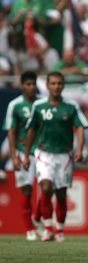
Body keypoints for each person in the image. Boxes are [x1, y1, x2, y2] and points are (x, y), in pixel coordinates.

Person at [23, 71, 88, 242]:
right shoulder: (38, 106)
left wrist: (80, 149)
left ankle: (59, 230)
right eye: (53, 83)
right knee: (45, 187)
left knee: (61, 193)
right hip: (44, 153)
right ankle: (47, 228)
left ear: (63, 85)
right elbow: (31, 130)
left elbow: (80, 127)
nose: (56, 86)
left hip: (64, 155)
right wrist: (25, 155)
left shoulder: (71, 106)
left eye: (59, 83)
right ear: (47, 86)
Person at [2, 71, 41, 241]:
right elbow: (11, 131)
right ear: (22, 86)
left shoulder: (43, 103)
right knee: (27, 189)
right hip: (22, 151)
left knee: (48, 188)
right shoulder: (15, 105)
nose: (31, 87)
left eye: (33, 84)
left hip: (44, 152)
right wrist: (14, 156)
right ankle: (29, 229)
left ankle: (38, 218)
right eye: (28, 84)